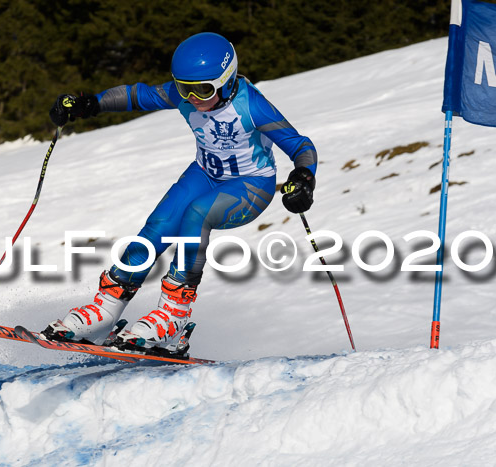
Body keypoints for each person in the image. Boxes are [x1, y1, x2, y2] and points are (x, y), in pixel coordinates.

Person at [41, 32, 317, 353]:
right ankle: (106, 309)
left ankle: (174, 316)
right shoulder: (186, 95)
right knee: (158, 226)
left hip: (251, 185)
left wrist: (303, 177)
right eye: (185, 89)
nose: (193, 98)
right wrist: (90, 103)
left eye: (203, 89)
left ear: (227, 82)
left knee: (197, 214)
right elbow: (138, 95)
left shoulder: (252, 106)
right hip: (205, 173)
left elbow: (300, 145)